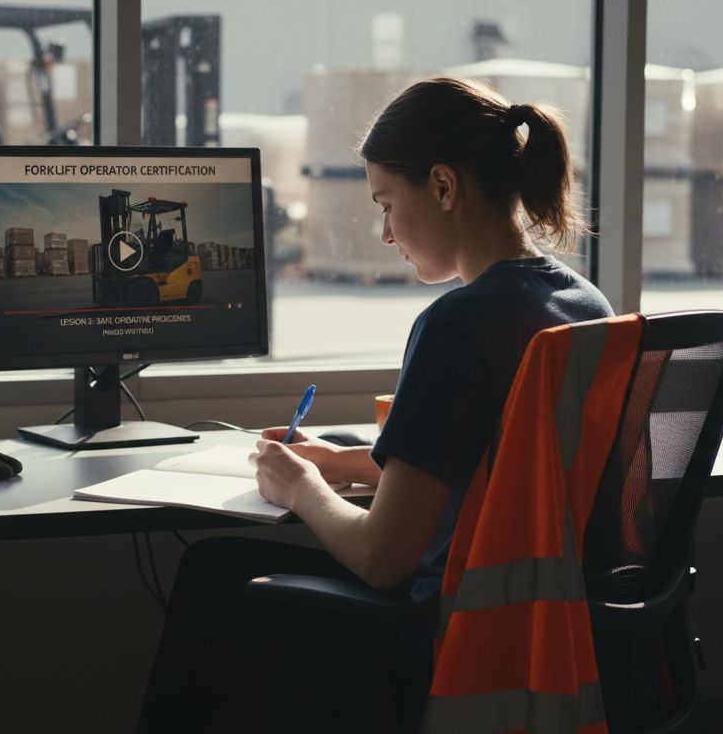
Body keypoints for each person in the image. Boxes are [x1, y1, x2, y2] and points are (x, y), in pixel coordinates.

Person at [135, 76, 613, 734]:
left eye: (387, 203)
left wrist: (301, 485)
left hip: (447, 643)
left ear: (443, 187)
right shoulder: (585, 305)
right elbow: (502, 472)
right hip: (539, 632)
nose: (386, 233)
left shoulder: (457, 324)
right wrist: (349, 463)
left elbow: (381, 558)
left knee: (212, 572)